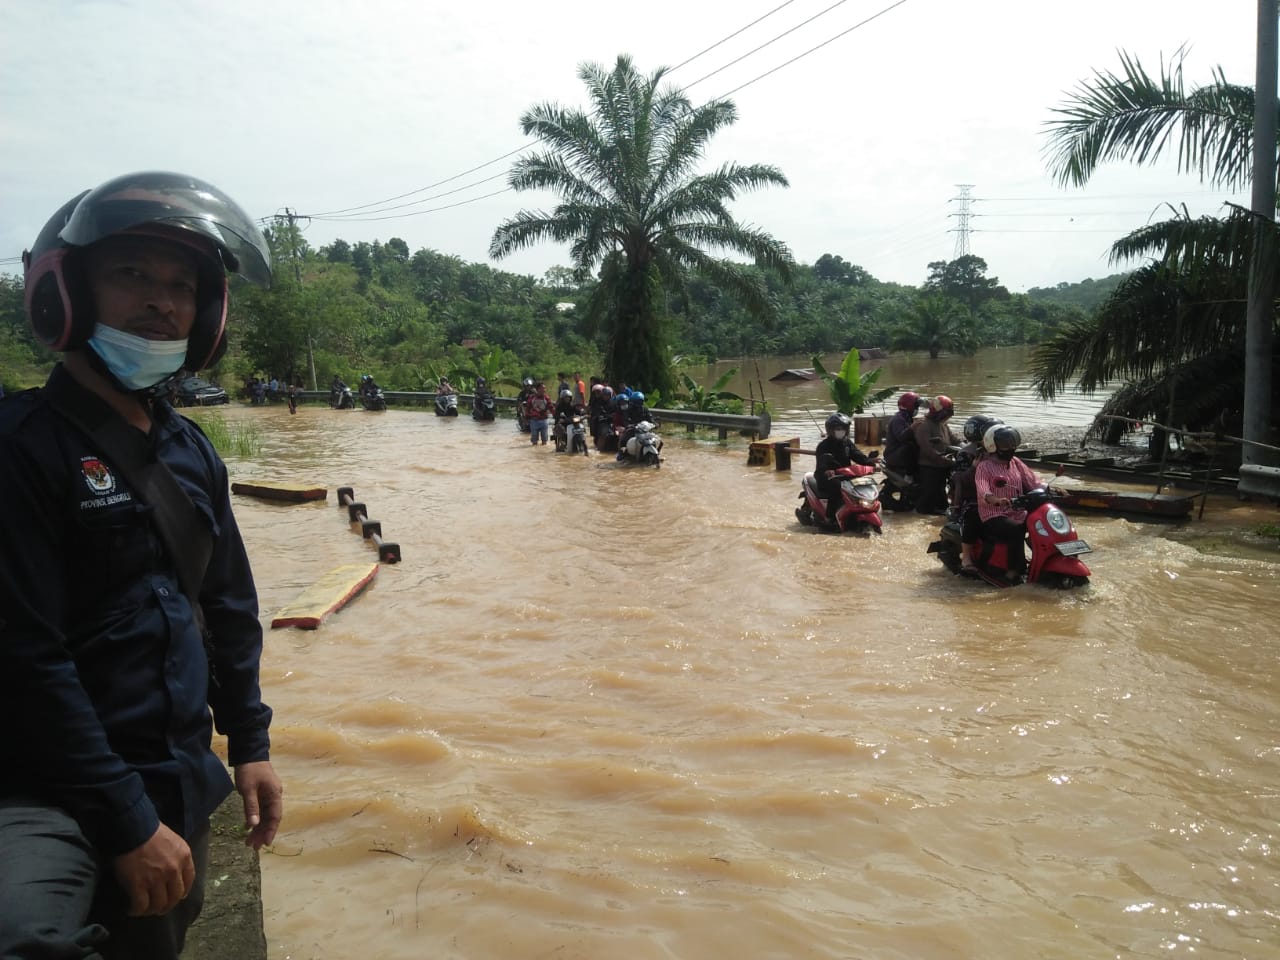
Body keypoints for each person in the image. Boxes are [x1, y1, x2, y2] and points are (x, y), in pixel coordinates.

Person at [0, 171, 282, 959]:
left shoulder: (191, 452)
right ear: (68, 295)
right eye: (132, 275)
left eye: (181, 285)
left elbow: (229, 607)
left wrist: (251, 743)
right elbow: (25, 656)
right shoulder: (21, 446)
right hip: (48, 784)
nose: (161, 300)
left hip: (180, 769)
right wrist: (125, 818)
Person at [974, 424, 1043, 580]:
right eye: (1006, 445)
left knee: (1040, 524)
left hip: (1018, 511)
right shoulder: (984, 466)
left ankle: (1039, 562)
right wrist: (995, 500)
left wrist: (1052, 489)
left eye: (1013, 444)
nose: (1011, 448)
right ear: (993, 446)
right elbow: (983, 489)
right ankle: (1013, 570)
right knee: (1016, 530)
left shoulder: (1015, 462)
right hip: (994, 514)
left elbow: (1033, 481)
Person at [951, 415, 1002, 571]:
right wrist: (974, 468)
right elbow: (958, 480)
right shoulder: (966, 453)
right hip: (971, 498)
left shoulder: (998, 451)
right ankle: (966, 558)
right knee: (974, 514)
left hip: (998, 496)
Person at [814, 412, 879, 527]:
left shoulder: (847, 443)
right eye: (838, 428)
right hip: (827, 477)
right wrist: (827, 470)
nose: (841, 431)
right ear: (830, 430)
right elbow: (821, 464)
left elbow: (858, 456)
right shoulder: (823, 446)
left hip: (846, 475)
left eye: (843, 428)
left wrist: (872, 463)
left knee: (864, 485)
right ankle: (829, 519)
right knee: (836, 488)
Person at [910, 394, 957, 515]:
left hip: (942, 463)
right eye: (945, 413)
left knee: (943, 502)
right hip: (929, 466)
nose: (947, 416)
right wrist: (947, 461)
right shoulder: (923, 425)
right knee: (926, 505)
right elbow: (927, 450)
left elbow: (954, 439)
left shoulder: (942, 424)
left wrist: (968, 444)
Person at [883, 391, 922, 478]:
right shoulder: (898, 419)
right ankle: (909, 475)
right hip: (893, 455)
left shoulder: (907, 418)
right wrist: (912, 427)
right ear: (909, 406)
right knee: (910, 446)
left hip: (900, 454)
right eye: (916, 406)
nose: (917, 409)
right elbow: (901, 437)